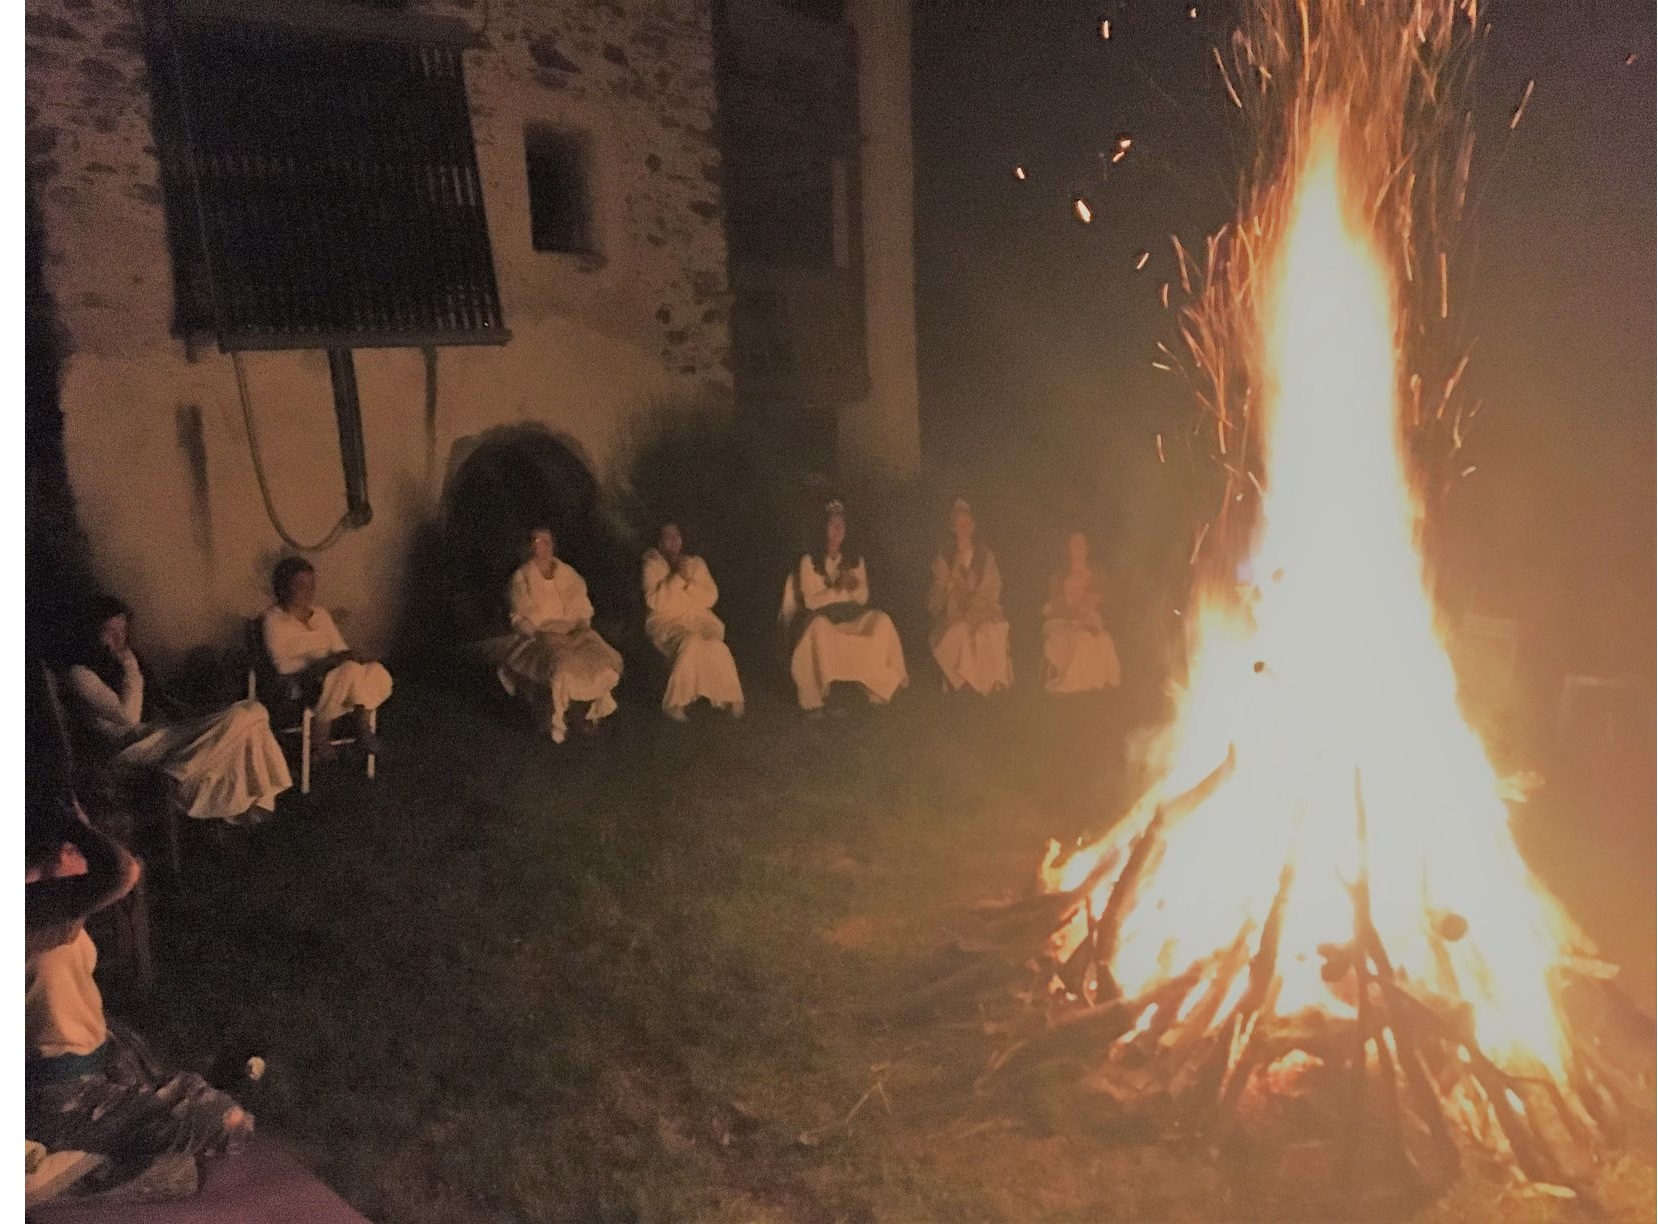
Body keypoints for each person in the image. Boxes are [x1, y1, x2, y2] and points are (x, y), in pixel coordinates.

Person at [27, 799, 252, 1199]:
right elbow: (123, 871)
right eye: (75, 847)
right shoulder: (31, 919)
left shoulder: (52, 905)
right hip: (56, 1092)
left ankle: (122, 1149)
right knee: (226, 1121)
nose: (83, 852)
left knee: (169, 1078)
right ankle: (79, 1172)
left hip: (98, 1056)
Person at [65, 597, 291, 825]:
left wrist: (195, 716)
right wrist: (129, 665)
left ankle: (185, 770)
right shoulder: (80, 674)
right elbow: (129, 718)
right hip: (130, 746)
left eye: (122, 630)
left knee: (255, 711)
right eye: (109, 631)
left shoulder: (127, 662)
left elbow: (161, 700)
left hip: (159, 735)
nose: (118, 638)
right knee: (244, 716)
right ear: (92, 632)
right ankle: (262, 799)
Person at [779, 500, 908, 714]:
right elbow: (811, 601)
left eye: (842, 525)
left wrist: (851, 586)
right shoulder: (809, 561)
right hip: (824, 621)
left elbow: (862, 597)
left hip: (851, 618)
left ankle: (877, 681)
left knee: (881, 620)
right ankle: (818, 687)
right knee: (818, 628)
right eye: (832, 524)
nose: (837, 530)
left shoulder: (854, 559)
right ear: (823, 528)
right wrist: (837, 590)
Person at [499, 526, 624, 743]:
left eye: (546, 541)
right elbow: (519, 616)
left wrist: (581, 625)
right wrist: (539, 631)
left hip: (573, 631)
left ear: (553, 545)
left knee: (599, 656)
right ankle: (560, 717)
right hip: (543, 634)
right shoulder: (522, 577)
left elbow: (582, 606)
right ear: (530, 546)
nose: (542, 546)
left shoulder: (568, 574)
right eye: (537, 541)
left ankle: (589, 712)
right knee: (562, 665)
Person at [262, 558, 392, 762]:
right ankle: (338, 730)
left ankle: (354, 726)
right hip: (303, 681)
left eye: (311, 585)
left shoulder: (320, 615)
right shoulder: (274, 619)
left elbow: (340, 649)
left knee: (375, 670)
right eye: (300, 585)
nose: (308, 591)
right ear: (284, 587)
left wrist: (353, 656)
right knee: (349, 670)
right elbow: (282, 665)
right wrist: (323, 663)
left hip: (337, 678)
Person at [642, 522, 744, 721]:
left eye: (677, 536)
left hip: (698, 619)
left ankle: (730, 697)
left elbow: (710, 597)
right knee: (691, 643)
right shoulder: (651, 565)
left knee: (715, 645)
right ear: (659, 541)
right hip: (665, 622)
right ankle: (675, 702)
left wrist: (688, 586)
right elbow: (657, 602)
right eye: (667, 537)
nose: (673, 541)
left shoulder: (695, 563)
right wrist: (678, 579)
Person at [926, 499, 1012, 695]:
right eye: (958, 524)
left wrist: (976, 595)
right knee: (961, 632)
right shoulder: (944, 557)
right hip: (954, 614)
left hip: (982, 611)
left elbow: (993, 587)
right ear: (952, 527)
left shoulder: (984, 555)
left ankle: (990, 683)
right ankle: (963, 682)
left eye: (967, 524)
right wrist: (952, 580)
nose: (963, 528)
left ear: (973, 526)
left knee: (991, 629)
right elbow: (936, 597)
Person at [1042, 531, 1122, 693]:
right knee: (1083, 640)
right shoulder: (1060, 576)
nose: (1080, 548)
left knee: (1104, 641)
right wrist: (1070, 606)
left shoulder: (1097, 574)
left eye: (1083, 544)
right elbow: (1050, 607)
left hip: (1090, 622)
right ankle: (1078, 683)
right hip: (1064, 624)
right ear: (1068, 548)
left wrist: (1097, 598)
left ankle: (1102, 683)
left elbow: (1113, 597)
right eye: (1075, 544)